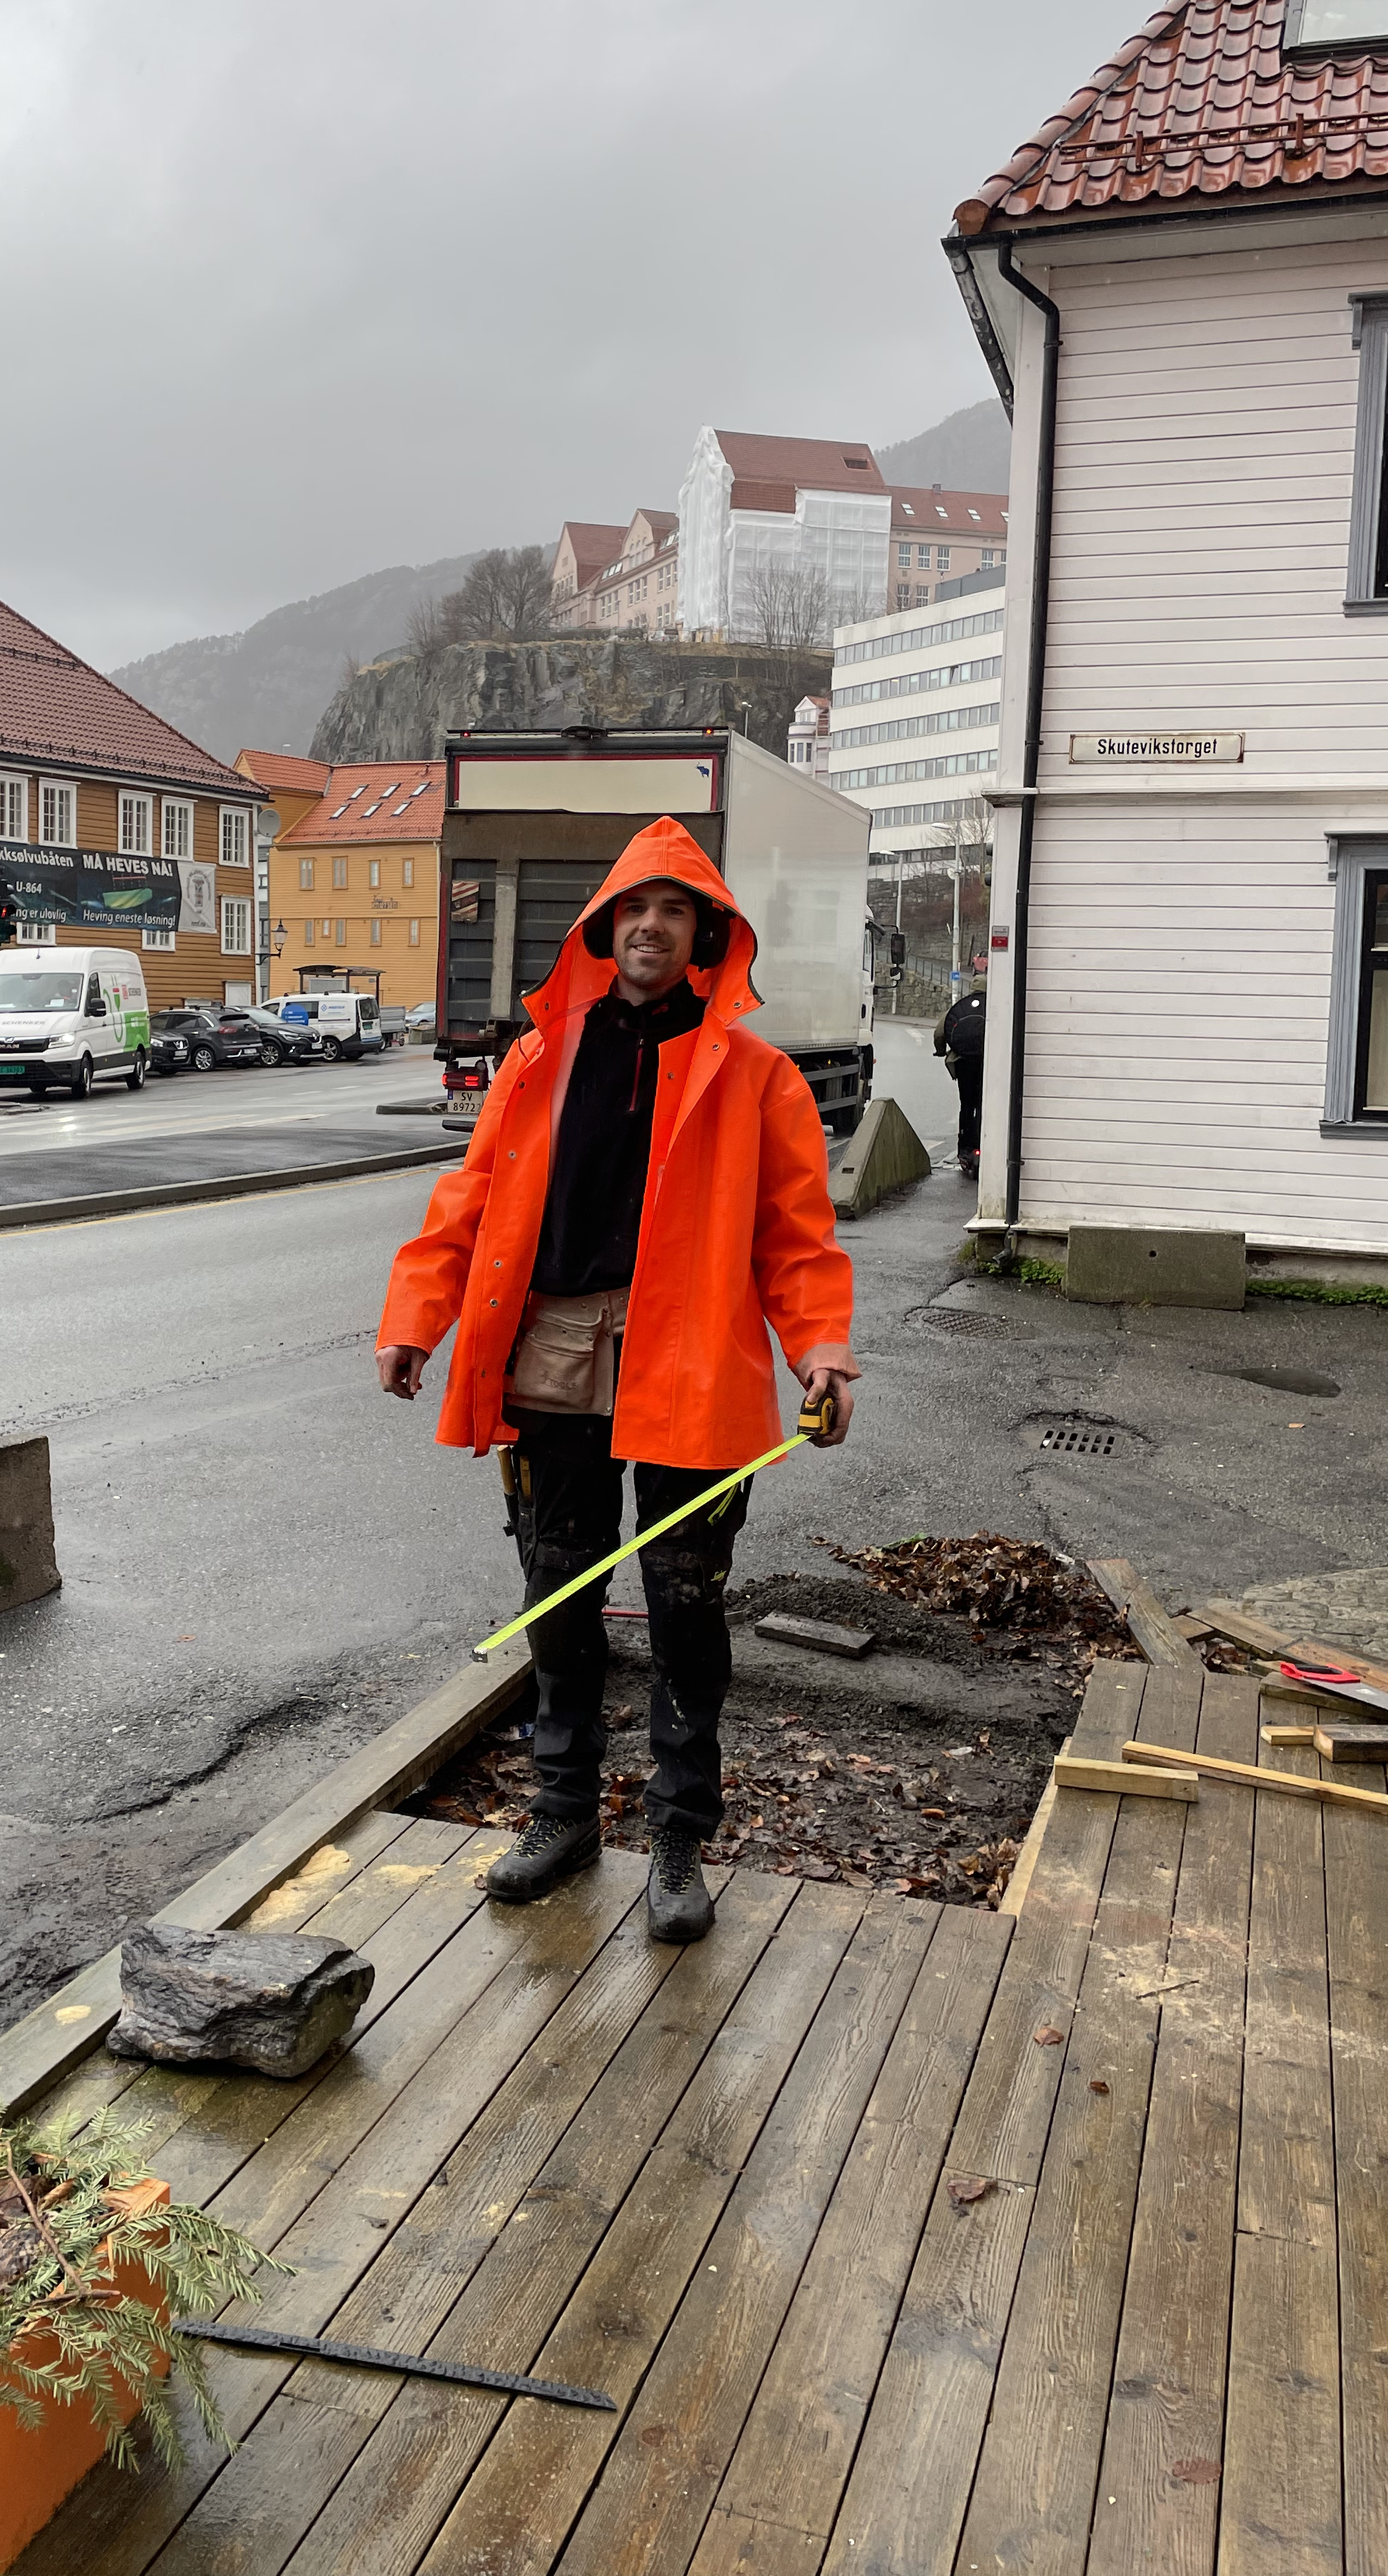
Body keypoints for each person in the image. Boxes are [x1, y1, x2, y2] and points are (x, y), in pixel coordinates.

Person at [375, 818, 857, 1945]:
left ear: (705, 938)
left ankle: (680, 1835)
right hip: (552, 1351)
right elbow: (470, 1200)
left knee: (689, 1610)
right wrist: (416, 1318)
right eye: (633, 909)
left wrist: (823, 1351)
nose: (650, 927)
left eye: (674, 911)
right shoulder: (540, 1059)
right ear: (605, 928)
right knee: (558, 1594)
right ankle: (564, 1817)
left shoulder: (761, 1077)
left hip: (693, 1360)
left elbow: (797, 1241)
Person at [934, 979, 986, 1178]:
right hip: (986, 1063)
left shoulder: (960, 1008)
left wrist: (940, 1051)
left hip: (963, 1063)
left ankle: (965, 1146)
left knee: (967, 1104)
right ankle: (983, 1141)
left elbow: (939, 1033)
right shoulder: (995, 1007)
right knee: (984, 1103)